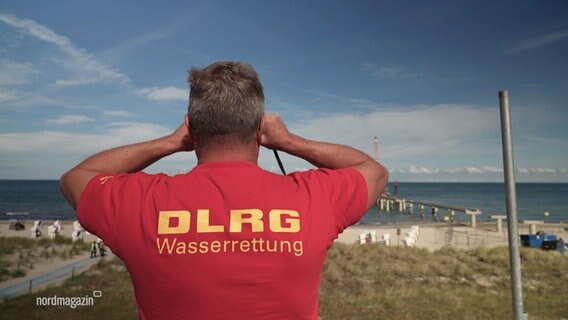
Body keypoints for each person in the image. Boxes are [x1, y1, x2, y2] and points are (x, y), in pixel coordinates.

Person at [60, 61, 388, 320]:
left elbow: (76, 178)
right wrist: (289, 141)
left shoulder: (143, 203)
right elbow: (373, 172)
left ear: (191, 127)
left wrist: (169, 142)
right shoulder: (313, 197)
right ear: (260, 129)